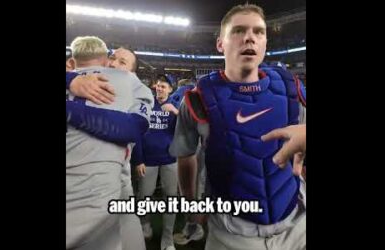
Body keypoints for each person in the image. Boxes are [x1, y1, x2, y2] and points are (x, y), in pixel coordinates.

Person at [169, 3, 306, 250]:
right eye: (238, 31)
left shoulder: (291, 89)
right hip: (232, 232)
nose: (249, 38)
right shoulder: (197, 99)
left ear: (265, 43)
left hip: (297, 225)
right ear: (220, 44)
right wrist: (192, 206)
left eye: (258, 32)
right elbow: (185, 157)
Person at [66, 36, 154, 250]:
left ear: (132, 72)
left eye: (122, 62)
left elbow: (132, 129)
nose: (114, 63)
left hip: (121, 175)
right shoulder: (81, 78)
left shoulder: (135, 88)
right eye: (113, 57)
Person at [131, 75, 179, 250]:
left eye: (163, 86)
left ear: (170, 89)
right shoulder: (146, 104)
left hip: (170, 159)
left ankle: (167, 238)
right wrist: (139, 159)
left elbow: (186, 131)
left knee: (171, 198)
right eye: (158, 86)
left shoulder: (175, 106)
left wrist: (176, 112)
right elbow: (138, 132)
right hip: (148, 160)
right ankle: (145, 224)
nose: (159, 89)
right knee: (144, 195)